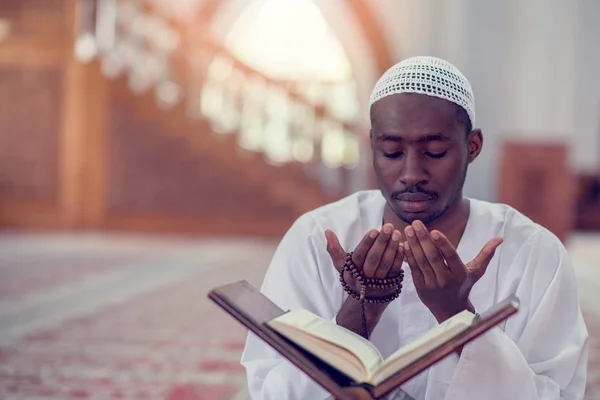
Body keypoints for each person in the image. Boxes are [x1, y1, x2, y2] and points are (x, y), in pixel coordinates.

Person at [240, 56, 589, 399]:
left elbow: (554, 393)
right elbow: (274, 390)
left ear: (472, 146)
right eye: (391, 152)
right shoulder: (317, 236)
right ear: (371, 147)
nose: (411, 173)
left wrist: (455, 313)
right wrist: (358, 310)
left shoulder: (533, 252)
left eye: (435, 151)